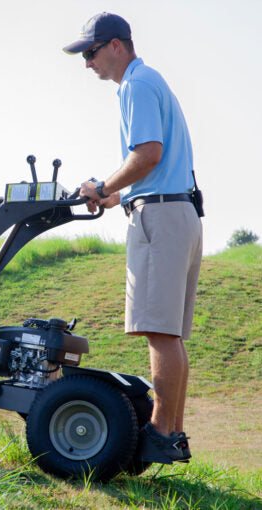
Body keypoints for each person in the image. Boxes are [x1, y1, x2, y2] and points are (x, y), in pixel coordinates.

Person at [63, 12, 203, 463]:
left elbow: (148, 153)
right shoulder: (151, 82)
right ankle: (172, 433)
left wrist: (103, 188)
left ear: (117, 45)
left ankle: (160, 434)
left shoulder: (137, 86)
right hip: (178, 210)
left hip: (160, 218)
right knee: (170, 335)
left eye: (91, 52)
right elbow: (153, 163)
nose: (87, 63)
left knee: (159, 332)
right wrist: (113, 195)